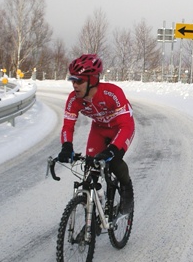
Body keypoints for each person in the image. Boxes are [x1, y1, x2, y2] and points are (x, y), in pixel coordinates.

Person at [58, 54, 135, 215]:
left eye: (79, 80)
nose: (74, 85)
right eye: (72, 80)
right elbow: (67, 126)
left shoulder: (112, 93)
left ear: (92, 80)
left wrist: (113, 149)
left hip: (120, 129)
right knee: (90, 168)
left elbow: (126, 126)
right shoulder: (74, 99)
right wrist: (67, 146)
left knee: (113, 161)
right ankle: (92, 223)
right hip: (99, 129)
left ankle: (126, 189)